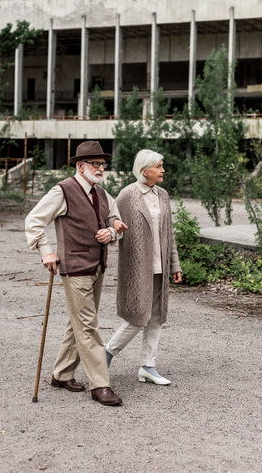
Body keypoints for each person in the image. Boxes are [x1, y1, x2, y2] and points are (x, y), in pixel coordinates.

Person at [25, 141, 128, 406]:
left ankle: (61, 374)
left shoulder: (103, 194)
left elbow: (115, 221)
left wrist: (113, 231)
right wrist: (46, 251)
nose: (101, 168)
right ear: (80, 166)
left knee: (79, 322)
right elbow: (34, 220)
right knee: (88, 326)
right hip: (75, 270)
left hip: (97, 267)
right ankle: (100, 385)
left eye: (103, 164)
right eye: (96, 164)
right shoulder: (63, 191)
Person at [105, 149, 182, 385]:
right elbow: (109, 219)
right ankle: (105, 354)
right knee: (138, 317)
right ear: (144, 170)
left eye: (162, 166)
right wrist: (112, 229)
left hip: (160, 266)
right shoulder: (128, 195)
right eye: (158, 166)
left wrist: (174, 264)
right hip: (138, 267)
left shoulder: (163, 195)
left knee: (156, 317)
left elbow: (169, 233)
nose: (162, 170)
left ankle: (148, 366)